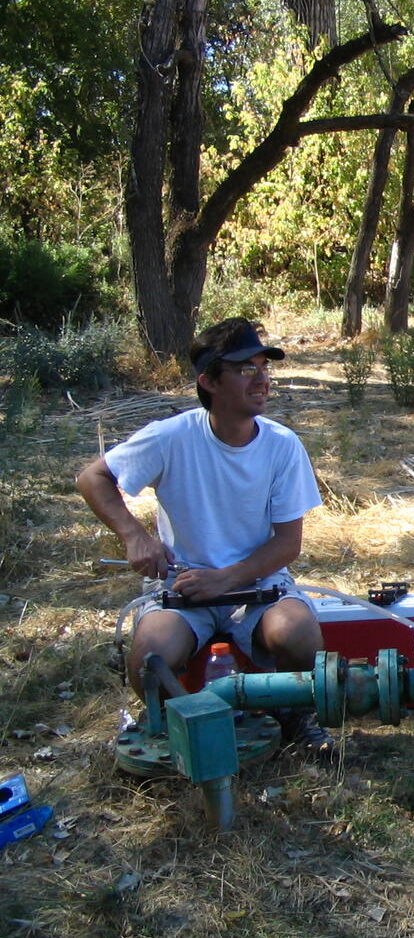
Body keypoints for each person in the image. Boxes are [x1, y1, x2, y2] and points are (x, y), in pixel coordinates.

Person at [76, 317, 333, 755]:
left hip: (257, 584)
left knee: (300, 635)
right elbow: (92, 477)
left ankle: (293, 720)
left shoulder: (282, 444)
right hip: (183, 586)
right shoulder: (171, 437)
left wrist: (227, 578)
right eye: (245, 369)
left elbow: (288, 545)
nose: (262, 380)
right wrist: (135, 537)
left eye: (263, 367)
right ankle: (187, 726)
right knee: (149, 658)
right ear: (209, 381)